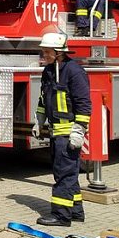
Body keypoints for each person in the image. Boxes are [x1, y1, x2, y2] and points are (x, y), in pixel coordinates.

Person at [33, 32, 91, 227]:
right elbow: (43, 99)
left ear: (59, 52)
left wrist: (79, 129)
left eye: (47, 52)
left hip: (67, 133)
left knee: (63, 173)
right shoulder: (49, 70)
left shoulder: (74, 72)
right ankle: (75, 211)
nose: (44, 55)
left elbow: (83, 104)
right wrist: (39, 120)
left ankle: (61, 216)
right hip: (55, 132)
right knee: (67, 173)